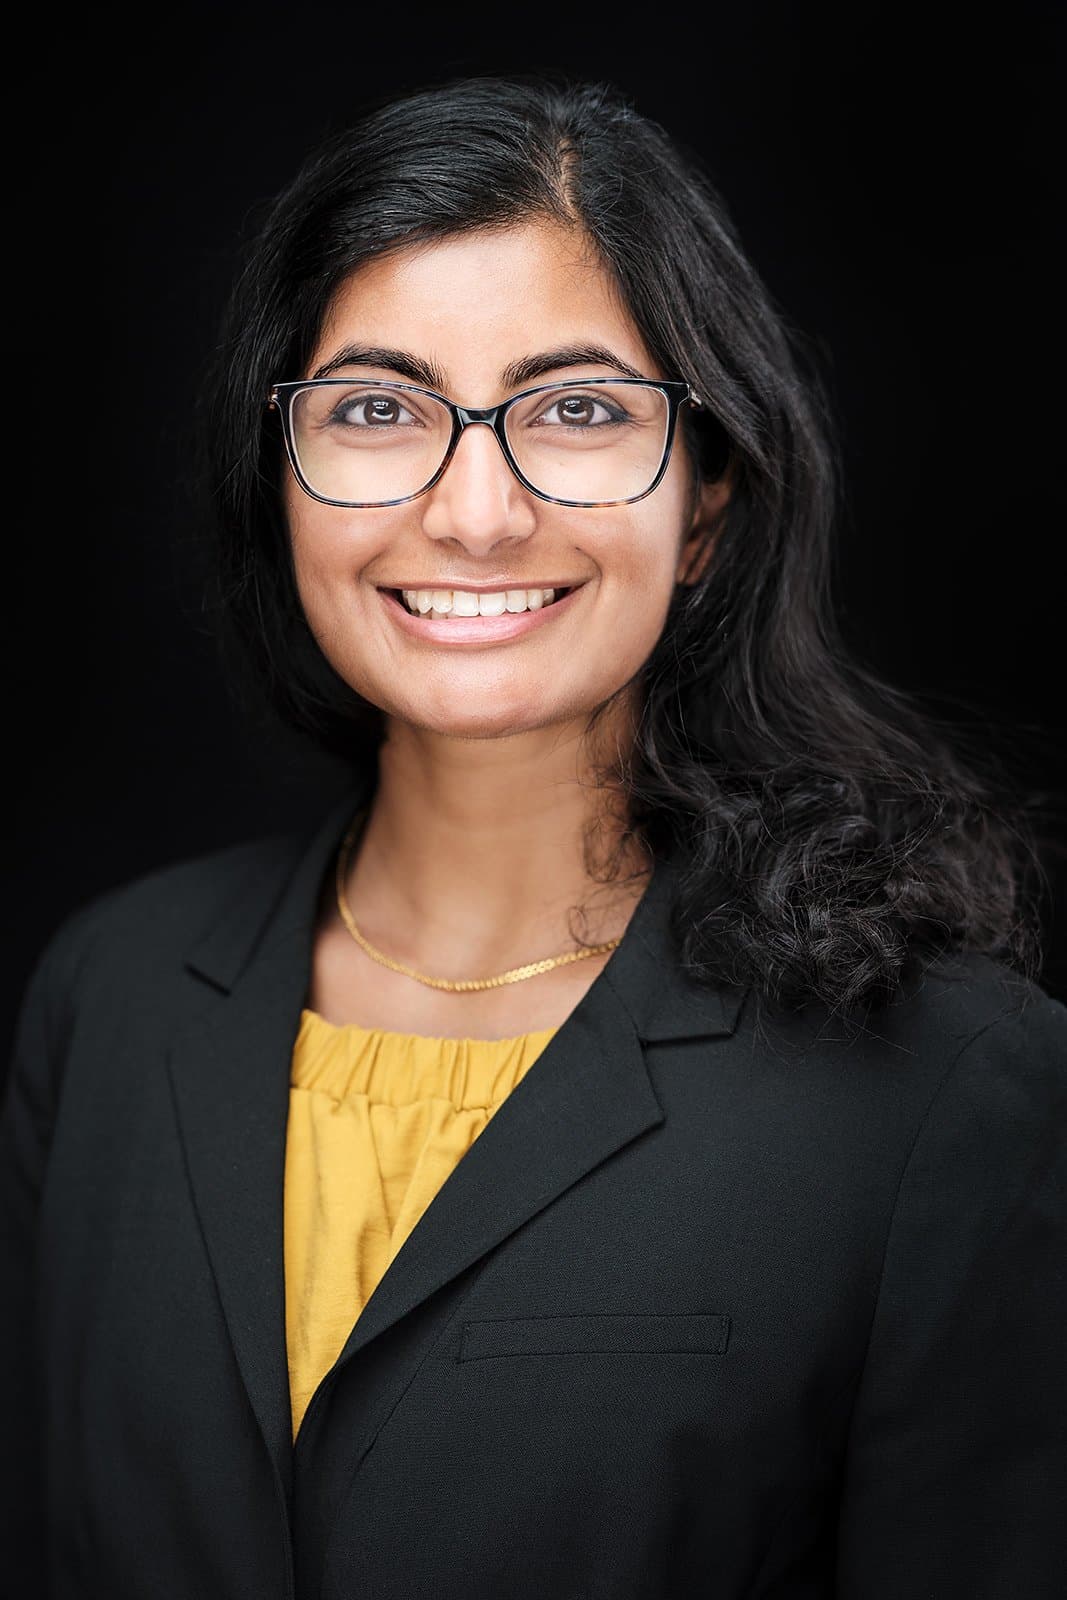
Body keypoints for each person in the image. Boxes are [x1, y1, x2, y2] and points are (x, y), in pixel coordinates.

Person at [2, 73, 1064, 1600]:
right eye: (377, 409)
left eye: (577, 411)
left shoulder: (951, 1087)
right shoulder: (107, 996)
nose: (477, 510)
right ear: (278, 481)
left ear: (705, 504)